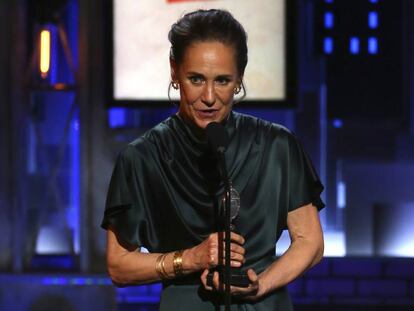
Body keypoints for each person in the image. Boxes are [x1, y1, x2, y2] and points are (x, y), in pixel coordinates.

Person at [102, 9, 324, 310]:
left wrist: (262, 284)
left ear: (239, 79)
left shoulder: (277, 145)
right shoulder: (142, 157)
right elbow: (118, 266)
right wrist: (189, 259)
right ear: (174, 71)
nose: (209, 96)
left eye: (222, 81)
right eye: (196, 79)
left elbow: (310, 243)